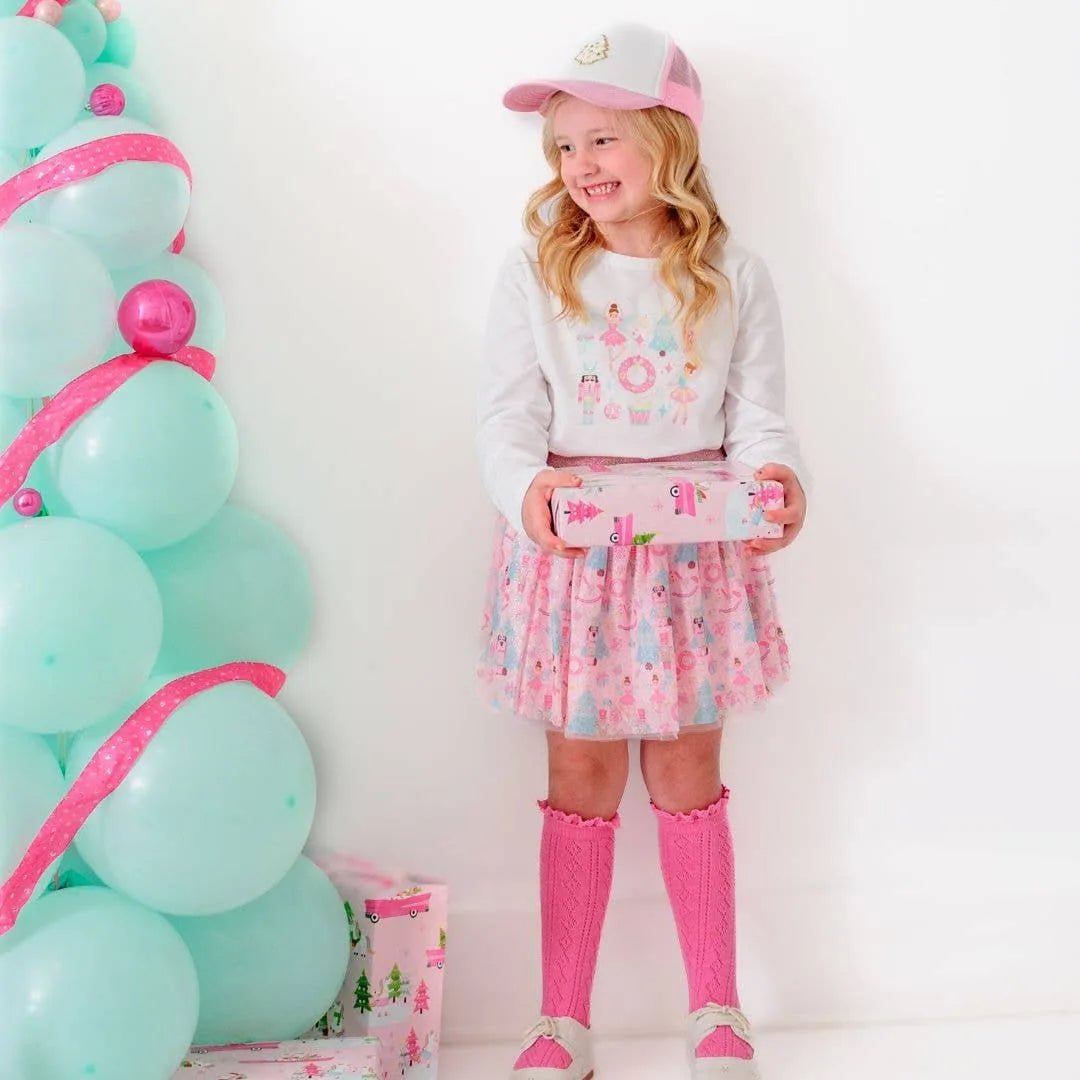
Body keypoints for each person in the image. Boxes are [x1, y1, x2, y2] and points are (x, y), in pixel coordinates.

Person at [476, 23, 809, 1080]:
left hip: (691, 559)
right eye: (565, 146)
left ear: (671, 137)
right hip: (575, 557)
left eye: (603, 137)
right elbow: (506, 419)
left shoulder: (733, 274)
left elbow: (760, 417)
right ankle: (560, 1021)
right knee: (578, 772)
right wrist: (525, 490)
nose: (581, 164)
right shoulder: (538, 269)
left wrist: (778, 480)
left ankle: (717, 1007)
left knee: (687, 768)